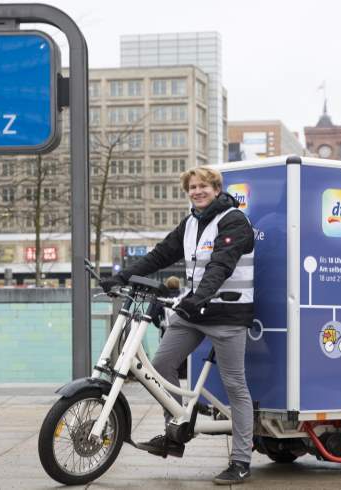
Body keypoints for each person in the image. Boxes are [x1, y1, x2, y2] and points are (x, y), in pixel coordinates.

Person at [100, 167, 255, 485]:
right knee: (160, 365)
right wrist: (122, 276)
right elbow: (160, 254)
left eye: (203, 186)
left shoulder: (234, 221)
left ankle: (241, 461)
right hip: (194, 312)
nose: (197, 191)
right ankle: (177, 429)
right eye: (192, 187)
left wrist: (199, 296)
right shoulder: (191, 223)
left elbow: (221, 264)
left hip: (227, 315)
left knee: (235, 387)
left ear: (216, 188)